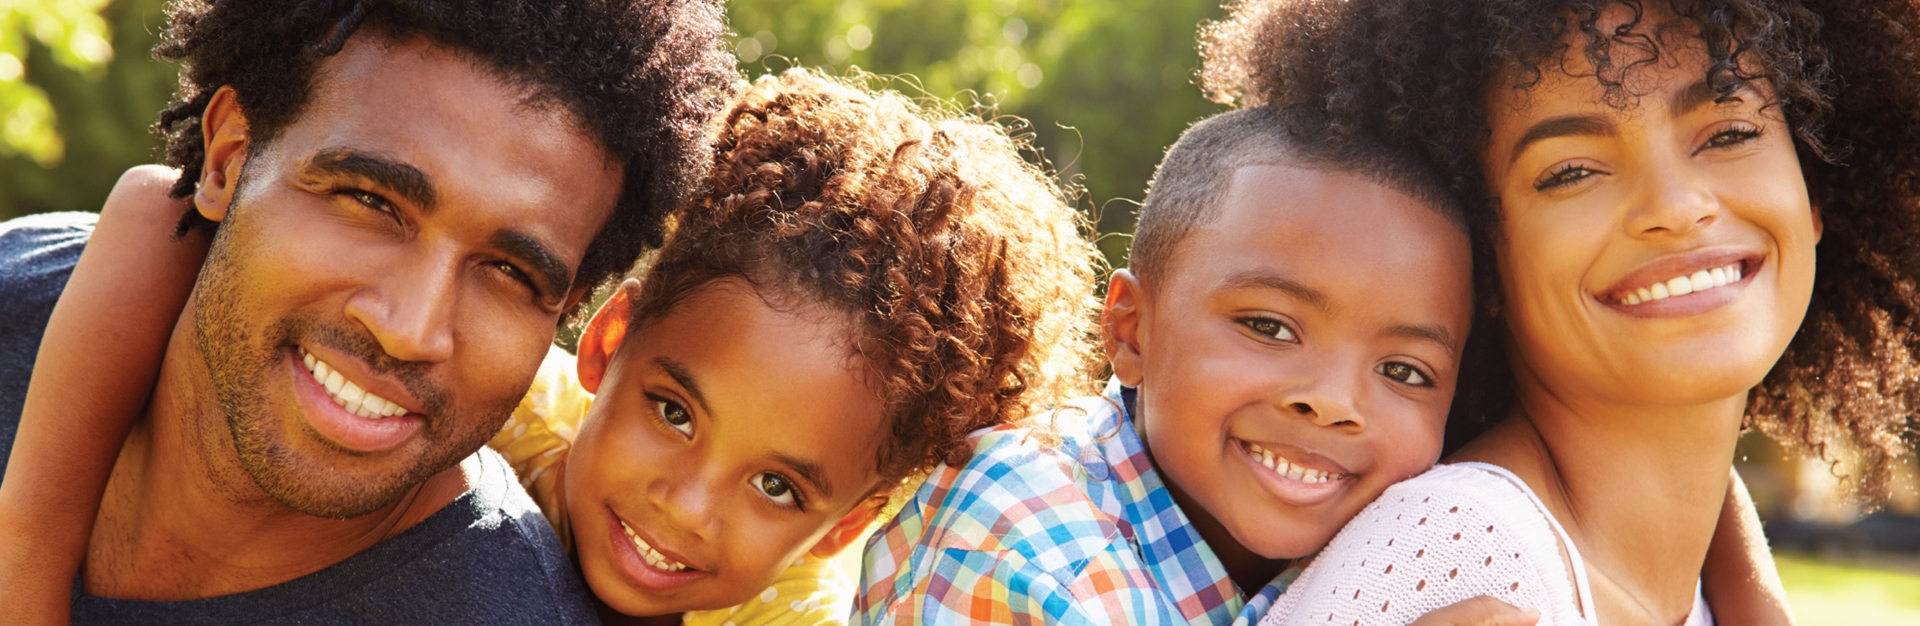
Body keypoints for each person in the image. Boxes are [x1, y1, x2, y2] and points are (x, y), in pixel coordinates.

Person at [11, 68, 1103, 625]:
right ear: (605, 338)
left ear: (846, 526)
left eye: (776, 484)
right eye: (675, 412)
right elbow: (152, 209)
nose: (686, 501)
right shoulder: (497, 396)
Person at [0, 0, 734, 622]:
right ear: (227, 159)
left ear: (566, 313)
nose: (409, 329)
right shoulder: (22, 293)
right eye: (371, 201)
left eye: (509, 271)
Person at [1199, 0, 1920, 623]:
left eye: (1729, 133)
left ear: (1815, 187)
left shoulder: (1701, 579)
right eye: (1571, 172)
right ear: (1482, 263)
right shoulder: (1461, 557)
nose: (1675, 207)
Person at [855, 104, 1538, 626]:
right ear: (1130, 333)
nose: (1334, 401)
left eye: (1405, 371)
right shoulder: (1024, 530)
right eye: (1270, 327)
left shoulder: (1381, 549)